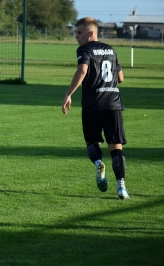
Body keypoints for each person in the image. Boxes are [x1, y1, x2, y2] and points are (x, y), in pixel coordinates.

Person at [61, 17, 130, 200]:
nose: (76, 36)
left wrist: (68, 94)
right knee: (116, 148)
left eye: (79, 32)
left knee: (92, 143)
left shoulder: (84, 49)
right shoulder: (111, 50)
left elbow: (82, 71)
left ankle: (99, 162)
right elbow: (121, 77)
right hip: (113, 104)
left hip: (92, 104)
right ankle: (121, 187)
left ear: (91, 33)